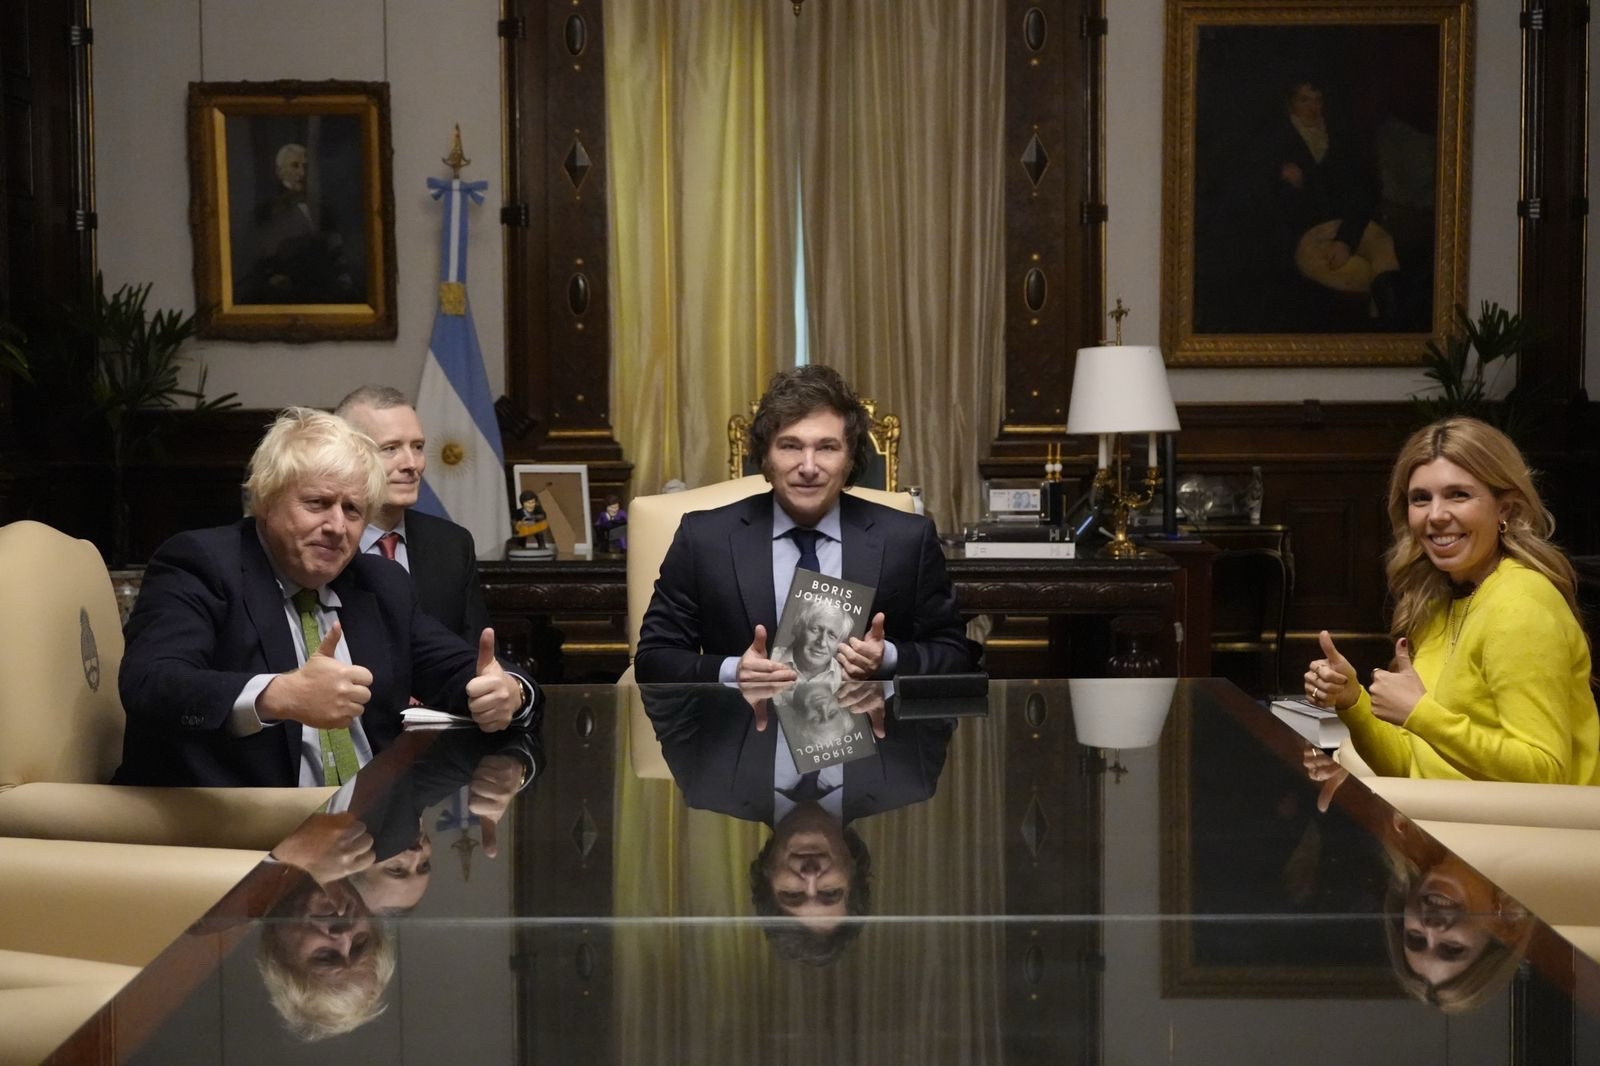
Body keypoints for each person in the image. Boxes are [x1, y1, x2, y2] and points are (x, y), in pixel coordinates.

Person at [115, 407, 539, 788]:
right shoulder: (203, 564)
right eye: (318, 503)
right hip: (246, 832)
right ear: (266, 500)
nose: (338, 526)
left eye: (353, 510)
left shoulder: (378, 582)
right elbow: (152, 686)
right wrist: (277, 695)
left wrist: (509, 691)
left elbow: (462, 668)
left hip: (372, 825)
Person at [1305, 417, 1600, 783]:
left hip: (1516, 836)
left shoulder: (1521, 605)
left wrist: (1421, 713)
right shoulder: (1440, 599)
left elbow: (1545, 775)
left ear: (1504, 510)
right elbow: (1411, 767)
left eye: (1458, 495)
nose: (1436, 516)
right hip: (1449, 820)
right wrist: (1351, 701)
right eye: (1421, 499)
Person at [635, 364, 972, 684]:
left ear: (850, 458)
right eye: (790, 446)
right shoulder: (705, 539)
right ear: (765, 457)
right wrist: (733, 670)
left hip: (869, 732)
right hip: (742, 731)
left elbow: (955, 654)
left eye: (826, 448)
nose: (808, 467)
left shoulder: (907, 539)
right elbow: (653, 659)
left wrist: (887, 659)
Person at [334, 385, 490, 644]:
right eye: (390, 448)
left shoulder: (452, 544)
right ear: (346, 455)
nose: (412, 464)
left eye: (417, 447)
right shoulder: (324, 542)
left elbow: (478, 650)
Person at [1270, 80, 1402, 325]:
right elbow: (1272, 206)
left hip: (1344, 224)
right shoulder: (1276, 144)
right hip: (1307, 236)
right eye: (1304, 100)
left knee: (1382, 244)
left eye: (1318, 100)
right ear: (1291, 104)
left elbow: (1360, 193)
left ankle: (1392, 321)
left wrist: (1345, 240)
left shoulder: (1339, 139)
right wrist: (1290, 182)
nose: (1313, 107)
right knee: (1361, 271)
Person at [240, 142, 359, 305]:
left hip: (323, 292)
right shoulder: (265, 212)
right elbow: (254, 259)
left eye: (306, 166)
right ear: (279, 171)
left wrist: (344, 284)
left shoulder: (323, 210)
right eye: (295, 166)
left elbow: (337, 253)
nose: (302, 173)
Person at [769, 596, 854, 689]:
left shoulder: (845, 677)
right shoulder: (770, 659)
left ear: (840, 642)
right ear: (799, 629)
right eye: (815, 629)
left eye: (832, 635)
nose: (822, 643)